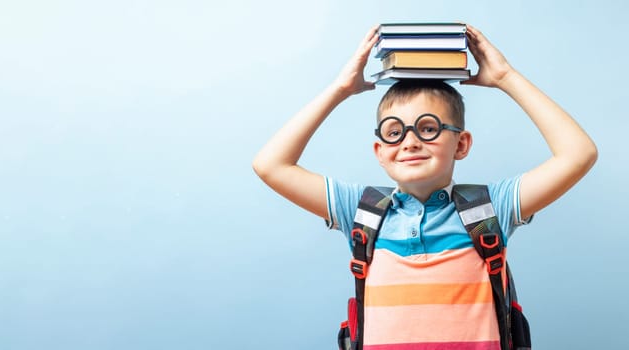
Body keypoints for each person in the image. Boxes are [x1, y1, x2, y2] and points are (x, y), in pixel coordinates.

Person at [252, 24, 597, 349]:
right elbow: (270, 165)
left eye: (428, 128)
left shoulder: (491, 208)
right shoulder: (360, 210)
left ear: (461, 145)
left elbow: (578, 154)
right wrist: (339, 89)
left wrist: (506, 78)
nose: (410, 142)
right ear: (380, 153)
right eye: (393, 132)